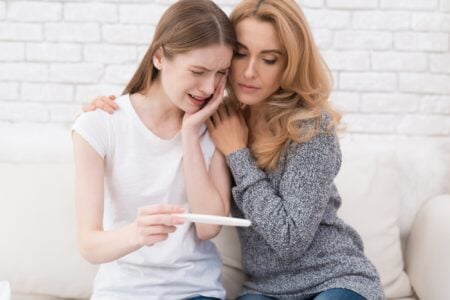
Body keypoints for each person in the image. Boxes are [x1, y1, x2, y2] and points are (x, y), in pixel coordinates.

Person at [85, 0, 385, 299]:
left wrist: (237, 153)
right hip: (265, 288)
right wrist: (102, 111)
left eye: (269, 59)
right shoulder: (216, 117)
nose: (250, 72)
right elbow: (154, 106)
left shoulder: (310, 128)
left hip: (332, 277)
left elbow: (290, 239)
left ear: (289, 64)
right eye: (241, 55)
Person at [72, 0, 236, 299]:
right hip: (122, 292)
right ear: (160, 56)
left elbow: (208, 228)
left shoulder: (217, 128)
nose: (209, 87)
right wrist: (138, 233)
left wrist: (189, 133)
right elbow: (89, 245)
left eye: (220, 73)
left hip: (194, 291)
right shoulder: (99, 125)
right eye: (198, 71)